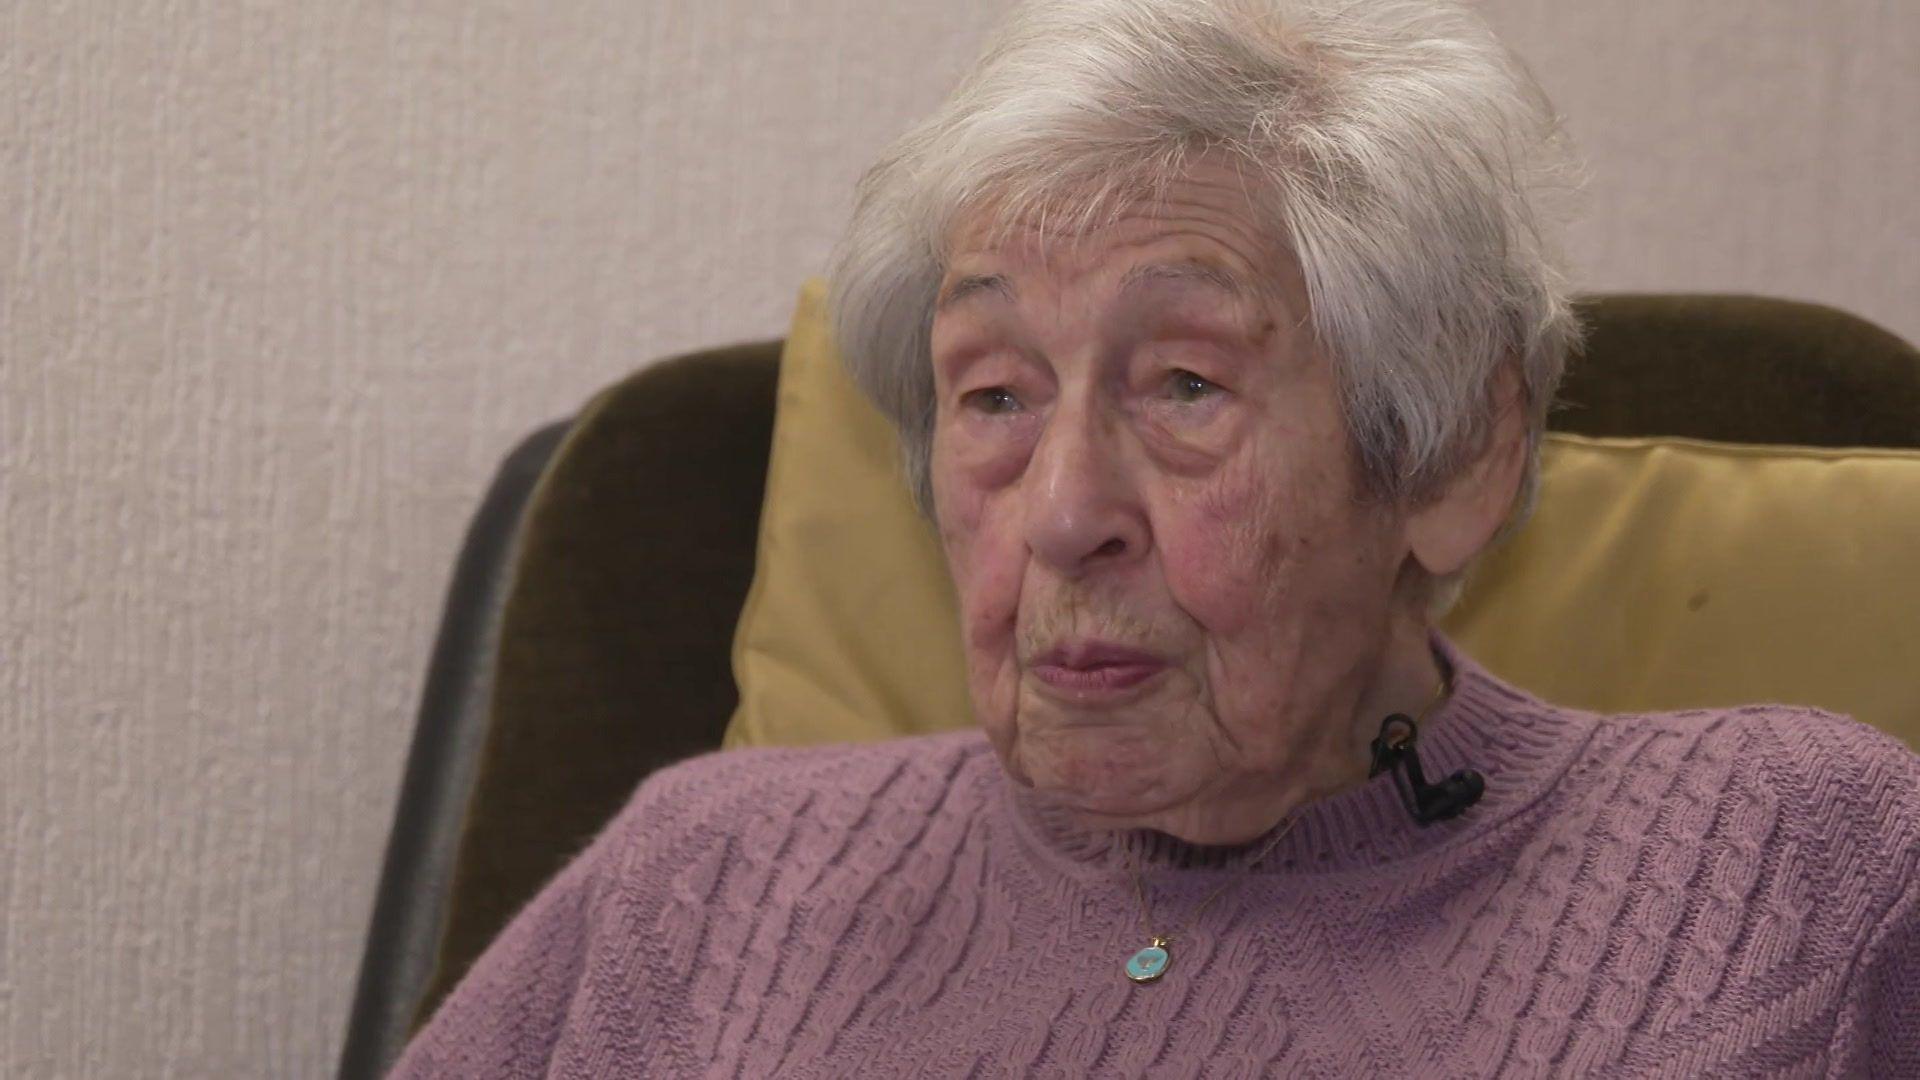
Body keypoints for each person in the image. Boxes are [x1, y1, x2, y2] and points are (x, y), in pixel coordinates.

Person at [392, 0, 1920, 1074]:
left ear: (1454, 450)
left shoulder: (1804, 870)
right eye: (993, 395)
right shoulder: (704, 884)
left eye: (1184, 384)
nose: (1061, 515)